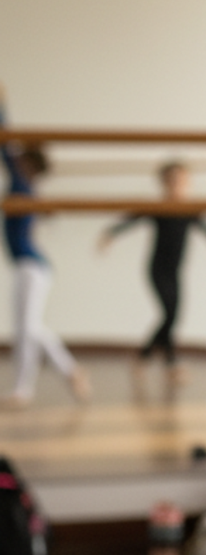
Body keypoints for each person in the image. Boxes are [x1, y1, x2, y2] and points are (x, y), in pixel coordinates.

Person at [98, 160, 206, 391]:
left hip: (176, 271)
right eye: (171, 181)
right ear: (163, 183)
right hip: (157, 270)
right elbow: (131, 220)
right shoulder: (158, 207)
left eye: (180, 180)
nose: (176, 185)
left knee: (172, 316)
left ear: (188, 183)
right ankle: (165, 363)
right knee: (169, 314)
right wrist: (110, 234)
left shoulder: (190, 210)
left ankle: (151, 359)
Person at [0, 85, 88, 408]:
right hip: (28, 265)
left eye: (21, 157)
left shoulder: (23, 183)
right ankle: (65, 372)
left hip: (31, 265)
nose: (15, 159)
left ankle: (28, 388)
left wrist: (3, 105)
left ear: (29, 163)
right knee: (29, 328)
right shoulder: (26, 187)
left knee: (28, 330)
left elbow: (5, 146)